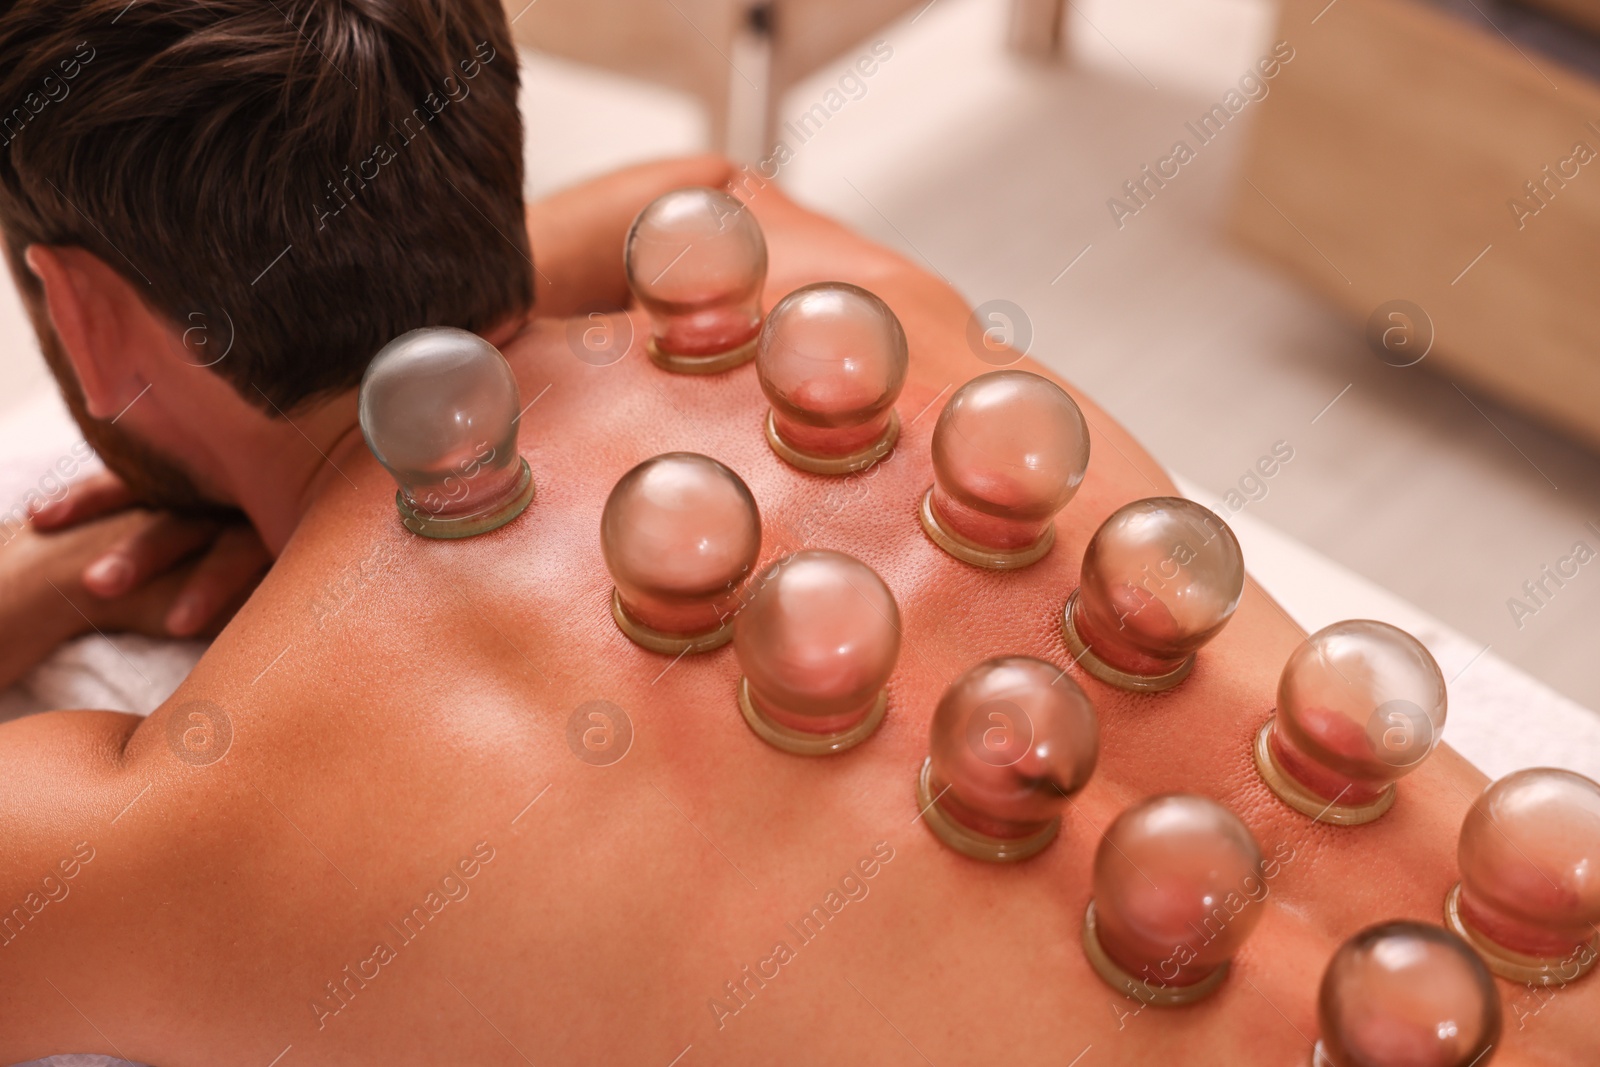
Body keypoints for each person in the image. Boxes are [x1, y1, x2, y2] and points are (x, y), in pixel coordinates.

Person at [0, 1, 1590, 1064]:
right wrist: (388, 340)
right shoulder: (811, 307)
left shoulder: (212, 816)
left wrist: (61, 583)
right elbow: (682, 182)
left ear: (78, 307)